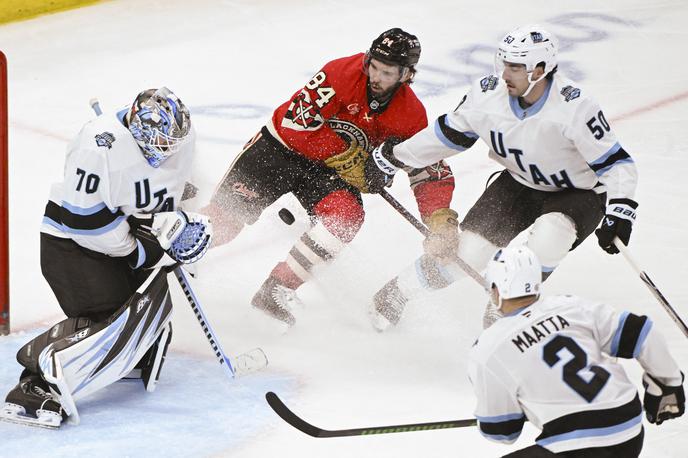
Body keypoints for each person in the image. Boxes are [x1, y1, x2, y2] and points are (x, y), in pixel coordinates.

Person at [364, 24, 639, 330]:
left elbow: (617, 164)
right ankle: (395, 293)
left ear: (540, 69)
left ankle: (507, 307)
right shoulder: (487, 96)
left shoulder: (575, 107)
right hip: (518, 183)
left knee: (552, 235)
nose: (506, 74)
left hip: (578, 193)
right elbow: (447, 135)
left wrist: (621, 211)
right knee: (469, 252)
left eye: (516, 67)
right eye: (505, 64)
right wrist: (393, 158)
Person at [201, 28, 455, 326]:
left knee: (345, 217)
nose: (375, 77)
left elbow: (428, 171)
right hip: (279, 149)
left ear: (406, 75)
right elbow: (295, 123)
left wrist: (439, 217)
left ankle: (276, 289)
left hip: (324, 173)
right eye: (373, 66)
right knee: (223, 225)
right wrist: (349, 156)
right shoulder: (341, 73)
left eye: (386, 72)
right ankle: (155, 253)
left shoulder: (411, 115)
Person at [0, 87, 212, 428]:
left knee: (145, 309)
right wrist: (141, 249)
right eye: (158, 144)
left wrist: (176, 227)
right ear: (139, 131)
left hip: (126, 237)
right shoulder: (97, 147)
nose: (165, 151)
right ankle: (36, 380)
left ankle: (129, 359)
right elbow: (84, 223)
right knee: (107, 315)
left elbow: (176, 188)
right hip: (73, 246)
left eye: (170, 143)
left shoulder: (179, 138)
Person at [467, 245, 684, 457]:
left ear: (496, 289)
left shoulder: (489, 348)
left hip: (575, 446)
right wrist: (668, 383)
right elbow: (642, 332)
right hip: (628, 431)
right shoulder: (571, 306)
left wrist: (507, 412)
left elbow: (502, 432)